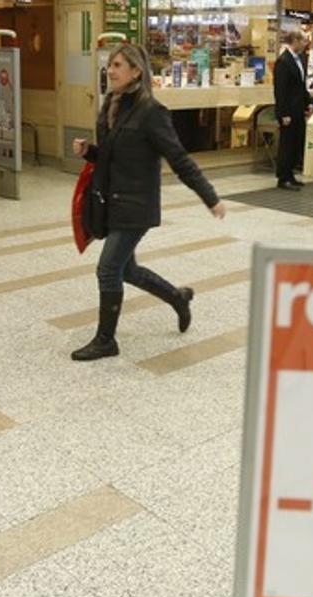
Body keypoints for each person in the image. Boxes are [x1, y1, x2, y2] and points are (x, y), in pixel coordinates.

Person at [70, 44, 224, 361]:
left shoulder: (151, 112)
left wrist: (210, 197)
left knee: (108, 269)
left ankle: (106, 341)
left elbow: (179, 158)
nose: (110, 70)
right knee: (128, 270)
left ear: (136, 72)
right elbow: (112, 155)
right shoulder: (112, 105)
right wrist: (90, 152)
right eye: (110, 65)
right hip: (111, 202)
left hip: (135, 206)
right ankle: (178, 298)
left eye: (117, 65)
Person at [274, 30, 312, 190]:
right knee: (287, 144)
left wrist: (307, 103)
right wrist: (283, 114)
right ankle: (283, 177)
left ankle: (290, 174)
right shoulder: (283, 61)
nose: (305, 44)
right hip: (288, 111)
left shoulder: (300, 59)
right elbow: (280, 90)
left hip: (298, 109)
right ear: (295, 40)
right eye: (303, 41)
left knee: (296, 143)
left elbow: (301, 85)